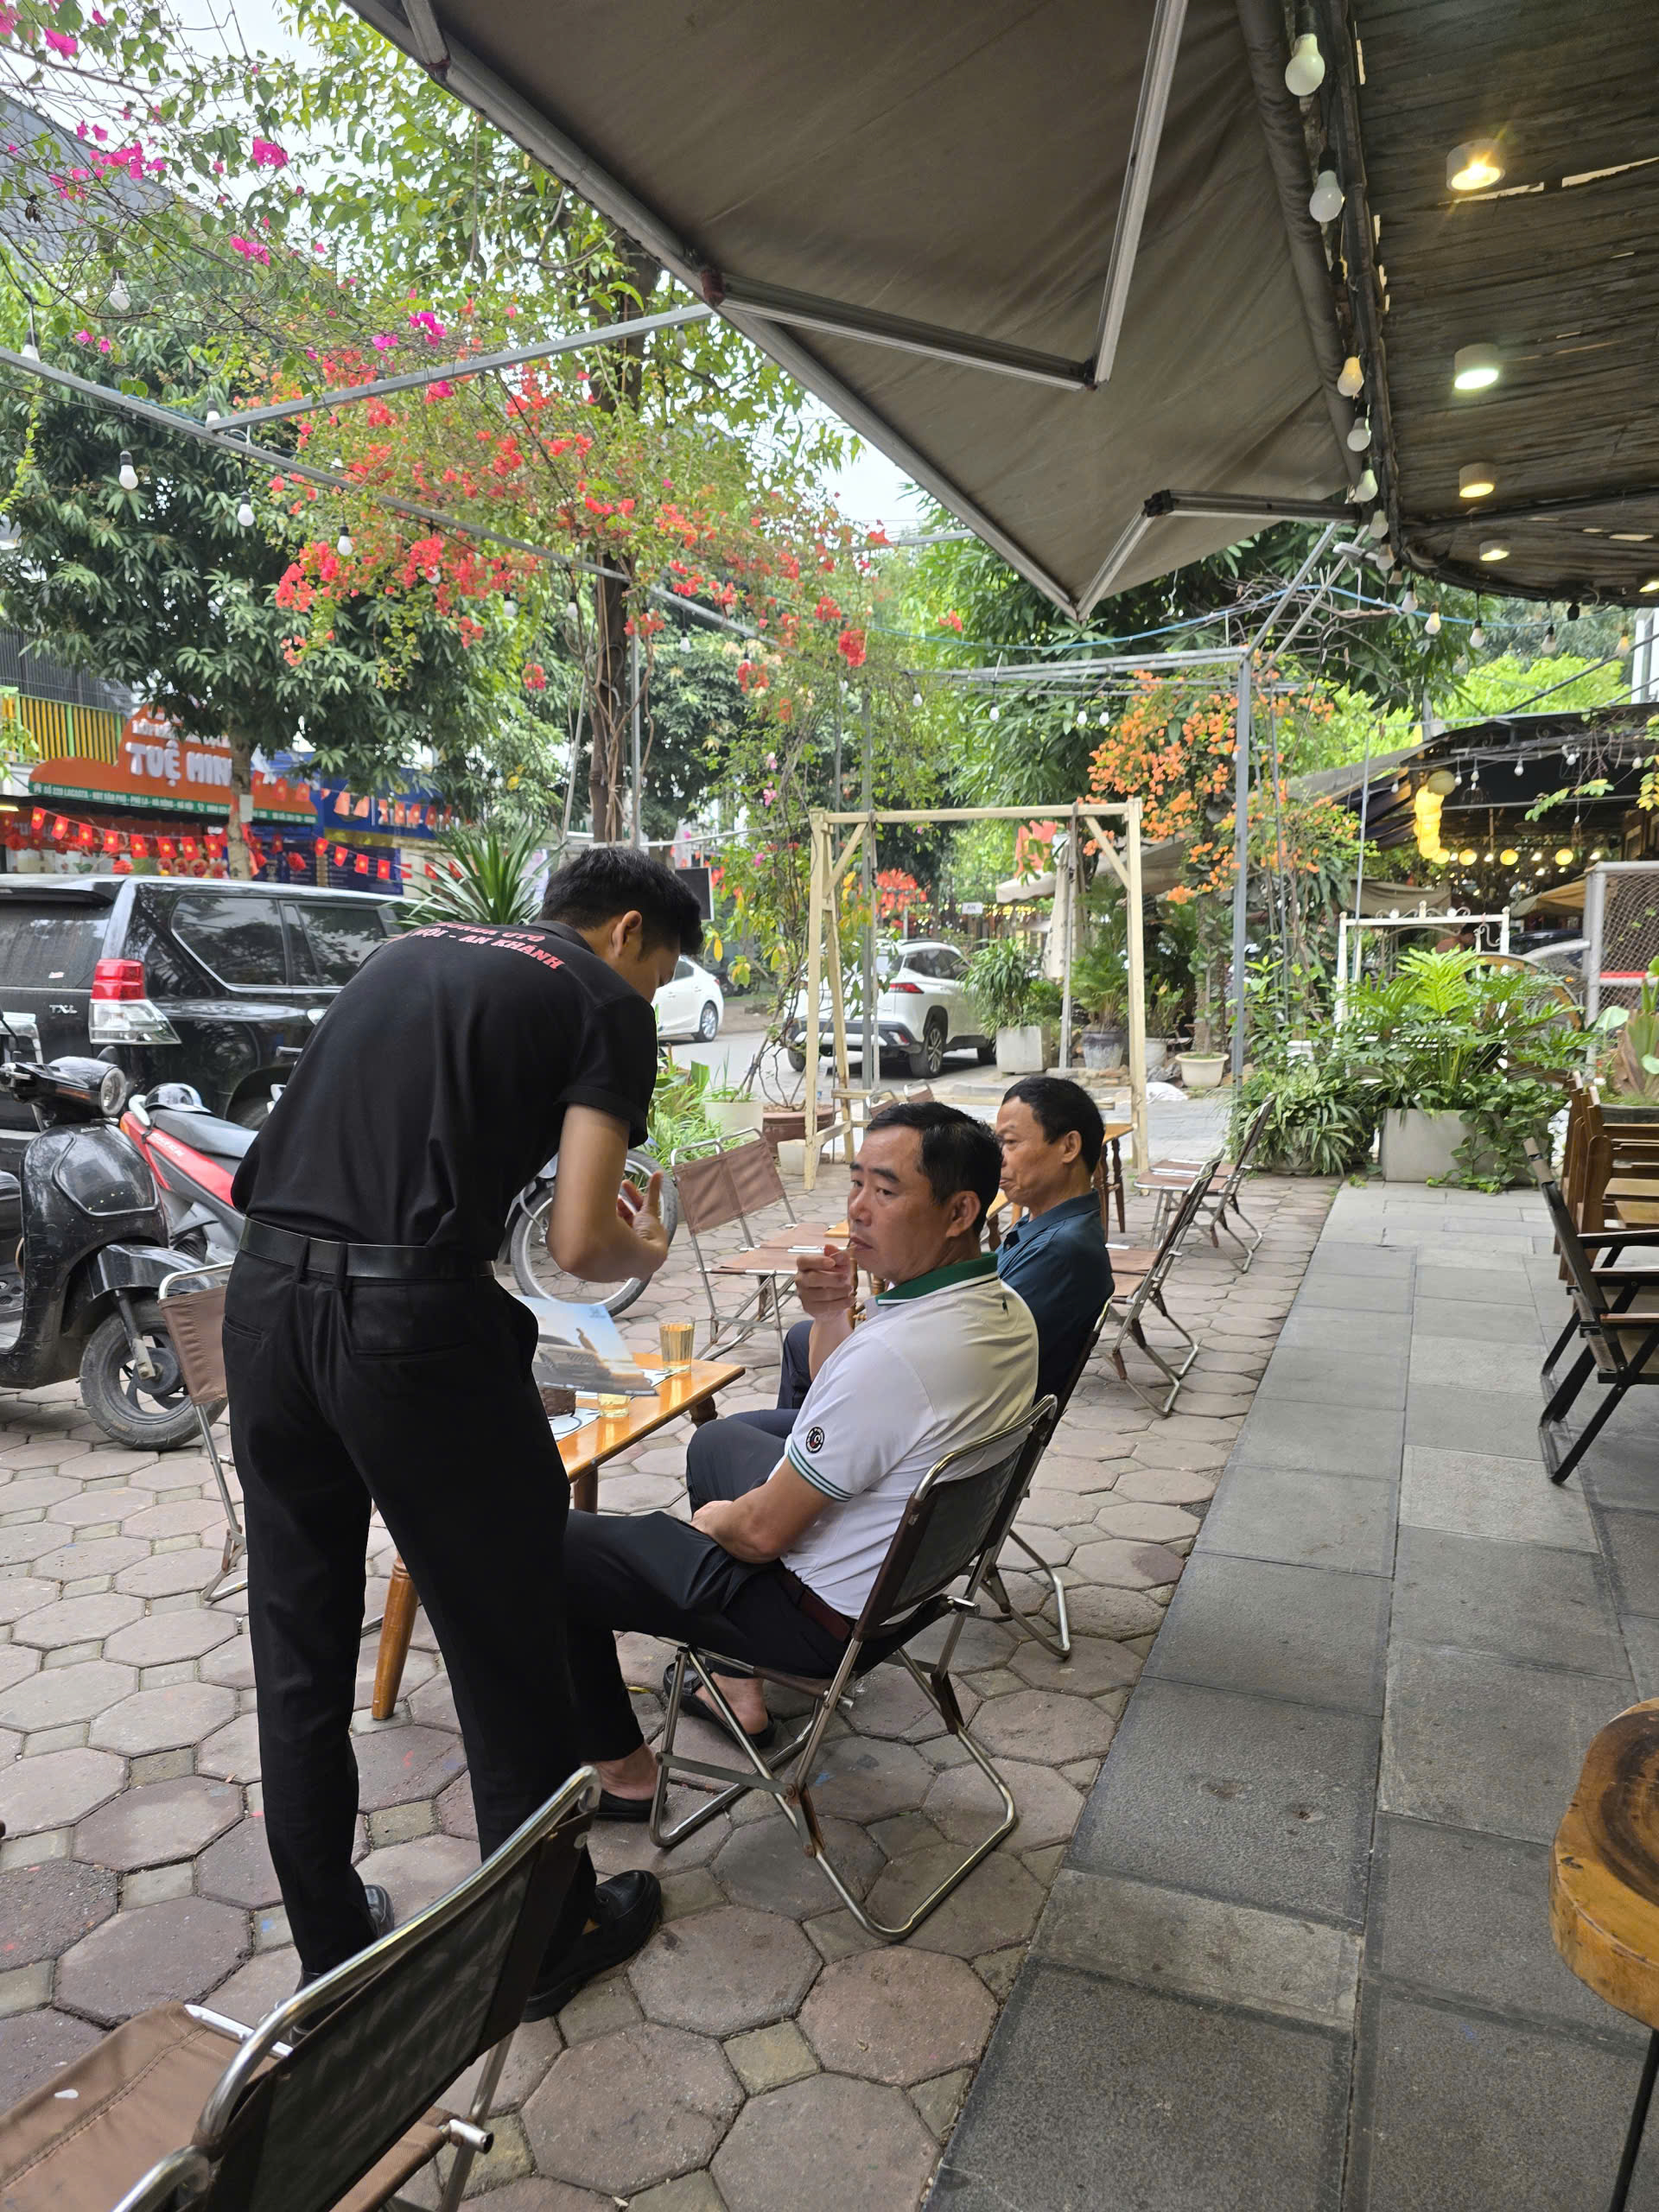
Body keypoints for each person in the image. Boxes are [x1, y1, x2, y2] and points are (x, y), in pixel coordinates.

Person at [223, 844, 703, 2018]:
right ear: (628, 931)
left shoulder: (406, 953)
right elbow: (582, 1241)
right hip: (413, 1330)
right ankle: (544, 1941)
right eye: (660, 971)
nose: (650, 993)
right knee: (509, 1636)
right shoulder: (601, 999)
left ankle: (331, 1945)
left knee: (297, 1641)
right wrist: (647, 1246)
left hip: (265, 1301)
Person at [558, 1102, 1039, 1787]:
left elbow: (760, 1535)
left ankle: (624, 1775)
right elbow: (845, 1414)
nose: (858, 1208)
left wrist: (713, 1524)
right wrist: (828, 1315)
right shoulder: (1006, 1310)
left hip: (815, 1618)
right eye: (856, 1182)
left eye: (886, 1191)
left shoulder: (901, 1355)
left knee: (551, 1547)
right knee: (717, 1443)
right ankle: (734, 1684)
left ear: (960, 1212)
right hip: (905, 1594)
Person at [747, 1076, 1113, 1438]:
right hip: (936, 1394)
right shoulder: (1046, 1227)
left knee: (729, 1436)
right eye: (857, 1183)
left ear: (1068, 1147)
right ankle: (809, 1438)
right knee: (803, 1338)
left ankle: (808, 1445)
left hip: (945, 1420)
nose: (999, 1158)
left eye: (1011, 1142)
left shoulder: (1062, 1251)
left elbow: (973, 1342)